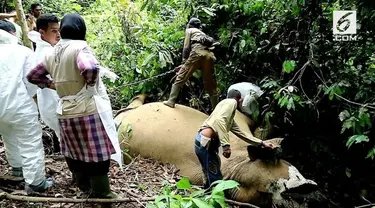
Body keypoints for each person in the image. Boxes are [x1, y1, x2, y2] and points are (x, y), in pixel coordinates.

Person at [27, 13, 122, 199]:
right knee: (97, 152)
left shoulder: (51, 52)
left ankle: (83, 187)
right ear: (81, 29)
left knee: (74, 151)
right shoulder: (79, 47)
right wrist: (90, 86)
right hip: (87, 109)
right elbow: (90, 68)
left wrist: (52, 85)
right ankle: (102, 193)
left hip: (65, 111)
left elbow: (33, 76)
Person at [0, 20, 54, 194]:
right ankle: (36, 183)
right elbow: (31, 81)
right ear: (13, 34)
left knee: (8, 135)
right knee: (29, 142)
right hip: (19, 105)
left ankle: (17, 168)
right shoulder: (22, 52)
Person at [194, 89, 275, 188]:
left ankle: (207, 194)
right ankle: (217, 199)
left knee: (210, 171)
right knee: (215, 175)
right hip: (205, 143)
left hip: (202, 142)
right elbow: (220, 121)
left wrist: (261, 143)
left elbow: (241, 133)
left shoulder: (225, 108)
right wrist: (226, 146)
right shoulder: (231, 102)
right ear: (239, 99)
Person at [163, 17, 220, 109]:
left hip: (197, 52)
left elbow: (186, 47)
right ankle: (216, 110)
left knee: (182, 75)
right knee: (210, 83)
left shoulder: (189, 30)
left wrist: (184, 62)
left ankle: (171, 101)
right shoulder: (202, 33)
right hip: (209, 55)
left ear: (189, 25)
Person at [28, 13, 61, 149]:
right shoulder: (45, 53)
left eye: (59, 30)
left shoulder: (47, 48)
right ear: (42, 32)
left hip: (50, 103)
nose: (58, 34)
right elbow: (33, 77)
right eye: (54, 31)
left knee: (63, 136)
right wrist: (55, 86)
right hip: (53, 102)